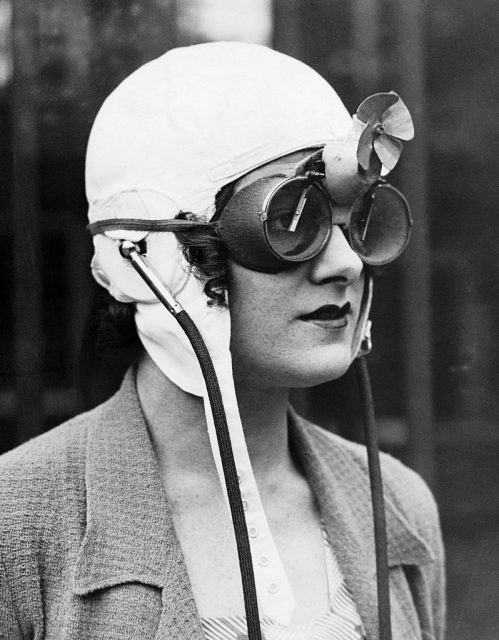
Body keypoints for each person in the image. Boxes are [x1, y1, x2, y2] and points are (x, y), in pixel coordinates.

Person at [0, 42, 445, 640]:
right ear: (149, 257)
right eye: (291, 220)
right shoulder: (18, 521)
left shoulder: (396, 502)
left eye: (357, 219)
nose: (345, 264)